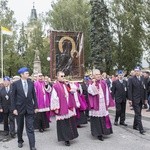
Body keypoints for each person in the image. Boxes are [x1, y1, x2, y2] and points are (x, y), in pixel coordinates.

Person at [11, 67, 38, 150]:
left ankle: (32, 145)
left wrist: (36, 106)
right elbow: (13, 97)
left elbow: (34, 95)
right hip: (19, 109)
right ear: (21, 75)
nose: (28, 74)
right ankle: (20, 141)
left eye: (28, 73)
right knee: (20, 126)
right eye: (26, 73)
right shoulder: (16, 84)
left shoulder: (31, 83)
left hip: (29, 108)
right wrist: (14, 109)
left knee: (30, 127)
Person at [50, 71, 78, 146]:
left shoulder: (66, 85)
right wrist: (56, 108)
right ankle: (66, 139)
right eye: (61, 76)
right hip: (61, 107)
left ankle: (71, 136)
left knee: (69, 122)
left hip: (69, 106)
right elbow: (54, 98)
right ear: (57, 77)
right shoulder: (55, 86)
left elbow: (73, 91)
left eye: (64, 76)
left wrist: (69, 84)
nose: (63, 77)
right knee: (63, 124)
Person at [88, 69, 114, 141]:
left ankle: (105, 131)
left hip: (103, 102)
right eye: (96, 74)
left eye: (99, 74)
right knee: (97, 119)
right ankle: (98, 133)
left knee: (103, 117)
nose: (98, 75)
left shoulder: (103, 82)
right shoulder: (91, 83)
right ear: (93, 75)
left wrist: (107, 102)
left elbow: (107, 93)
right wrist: (93, 83)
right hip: (96, 103)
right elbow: (93, 92)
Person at [128, 66, 147, 135]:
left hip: (141, 99)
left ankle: (134, 125)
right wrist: (130, 99)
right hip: (135, 99)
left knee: (137, 113)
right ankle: (141, 129)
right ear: (134, 72)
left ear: (140, 71)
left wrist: (145, 99)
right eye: (135, 71)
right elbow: (129, 90)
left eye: (138, 71)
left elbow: (145, 89)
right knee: (138, 114)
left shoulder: (142, 78)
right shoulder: (131, 79)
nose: (137, 72)